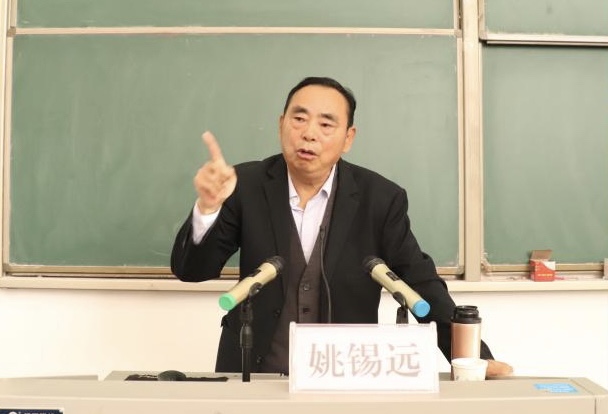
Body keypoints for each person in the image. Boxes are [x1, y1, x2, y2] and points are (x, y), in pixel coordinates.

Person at [171, 76, 512, 377]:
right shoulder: (244, 184)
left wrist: (472, 357)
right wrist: (208, 208)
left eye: (326, 124)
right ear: (281, 124)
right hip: (253, 371)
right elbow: (191, 270)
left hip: (344, 373)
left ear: (348, 137)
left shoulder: (379, 198)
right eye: (299, 119)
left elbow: (419, 282)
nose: (308, 133)